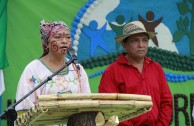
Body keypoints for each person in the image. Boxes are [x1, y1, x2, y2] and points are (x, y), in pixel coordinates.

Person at [98, 21, 173, 126]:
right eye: (135, 41)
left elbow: (166, 102)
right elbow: (110, 108)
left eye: (145, 40)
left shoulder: (156, 68)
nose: (141, 45)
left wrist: (161, 125)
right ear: (124, 45)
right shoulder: (112, 72)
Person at [15, 19, 91, 114]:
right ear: (47, 43)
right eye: (58, 37)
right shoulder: (33, 69)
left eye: (68, 37)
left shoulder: (77, 69)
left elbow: (87, 103)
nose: (64, 41)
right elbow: (24, 109)